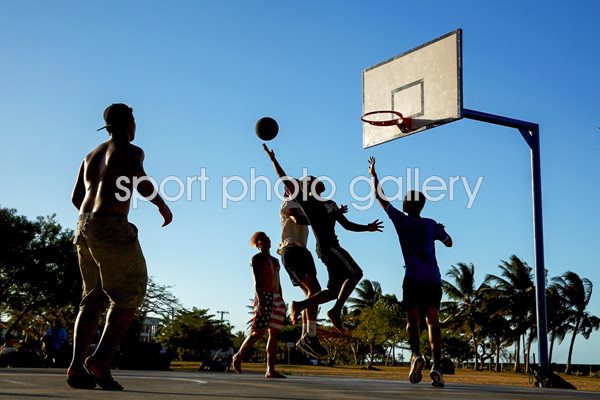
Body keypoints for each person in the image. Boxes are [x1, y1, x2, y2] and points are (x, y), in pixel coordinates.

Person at [67, 103, 173, 391]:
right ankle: (100, 360)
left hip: (84, 225)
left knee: (92, 299)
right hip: (109, 226)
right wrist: (161, 206)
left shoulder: (90, 156)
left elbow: (77, 197)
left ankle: (77, 367)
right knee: (130, 293)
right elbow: (140, 181)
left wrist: (98, 221)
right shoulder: (130, 150)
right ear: (129, 125)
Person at [263, 144, 383, 332]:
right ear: (308, 187)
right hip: (328, 247)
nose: (318, 180)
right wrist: (273, 160)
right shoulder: (308, 203)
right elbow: (284, 179)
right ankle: (335, 311)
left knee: (334, 291)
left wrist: (367, 228)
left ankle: (300, 305)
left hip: (332, 247)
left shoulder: (331, 204)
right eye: (313, 180)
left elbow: (347, 225)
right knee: (356, 273)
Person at [368, 156, 452, 388]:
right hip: (433, 280)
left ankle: (415, 355)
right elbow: (450, 243)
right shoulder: (430, 224)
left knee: (412, 321)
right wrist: (441, 231)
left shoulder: (401, 221)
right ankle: (436, 366)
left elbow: (379, 197)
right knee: (433, 322)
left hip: (413, 279)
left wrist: (373, 174)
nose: (402, 201)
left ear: (409, 205)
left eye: (405, 199)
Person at [277, 181, 329, 358]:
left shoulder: (303, 203)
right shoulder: (289, 201)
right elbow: (297, 219)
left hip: (302, 251)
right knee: (315, 291)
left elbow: (319, 193)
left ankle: (307, 336)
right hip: (292, 250)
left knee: (312, 294)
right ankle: (310, 335)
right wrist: (320, 217)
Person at [232, 232, 286, 379]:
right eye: (262, 241)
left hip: (276, 297)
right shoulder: (256, 258)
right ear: (258, 245)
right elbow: (256, 279)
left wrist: (281, 298)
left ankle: (270, 369)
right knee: (258, 332)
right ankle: (238, 356)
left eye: (267, 239)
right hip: (264, 295)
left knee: (274, 333)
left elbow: (278, 280)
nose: (266, 241)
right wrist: (261, 299)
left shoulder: (275, 261)